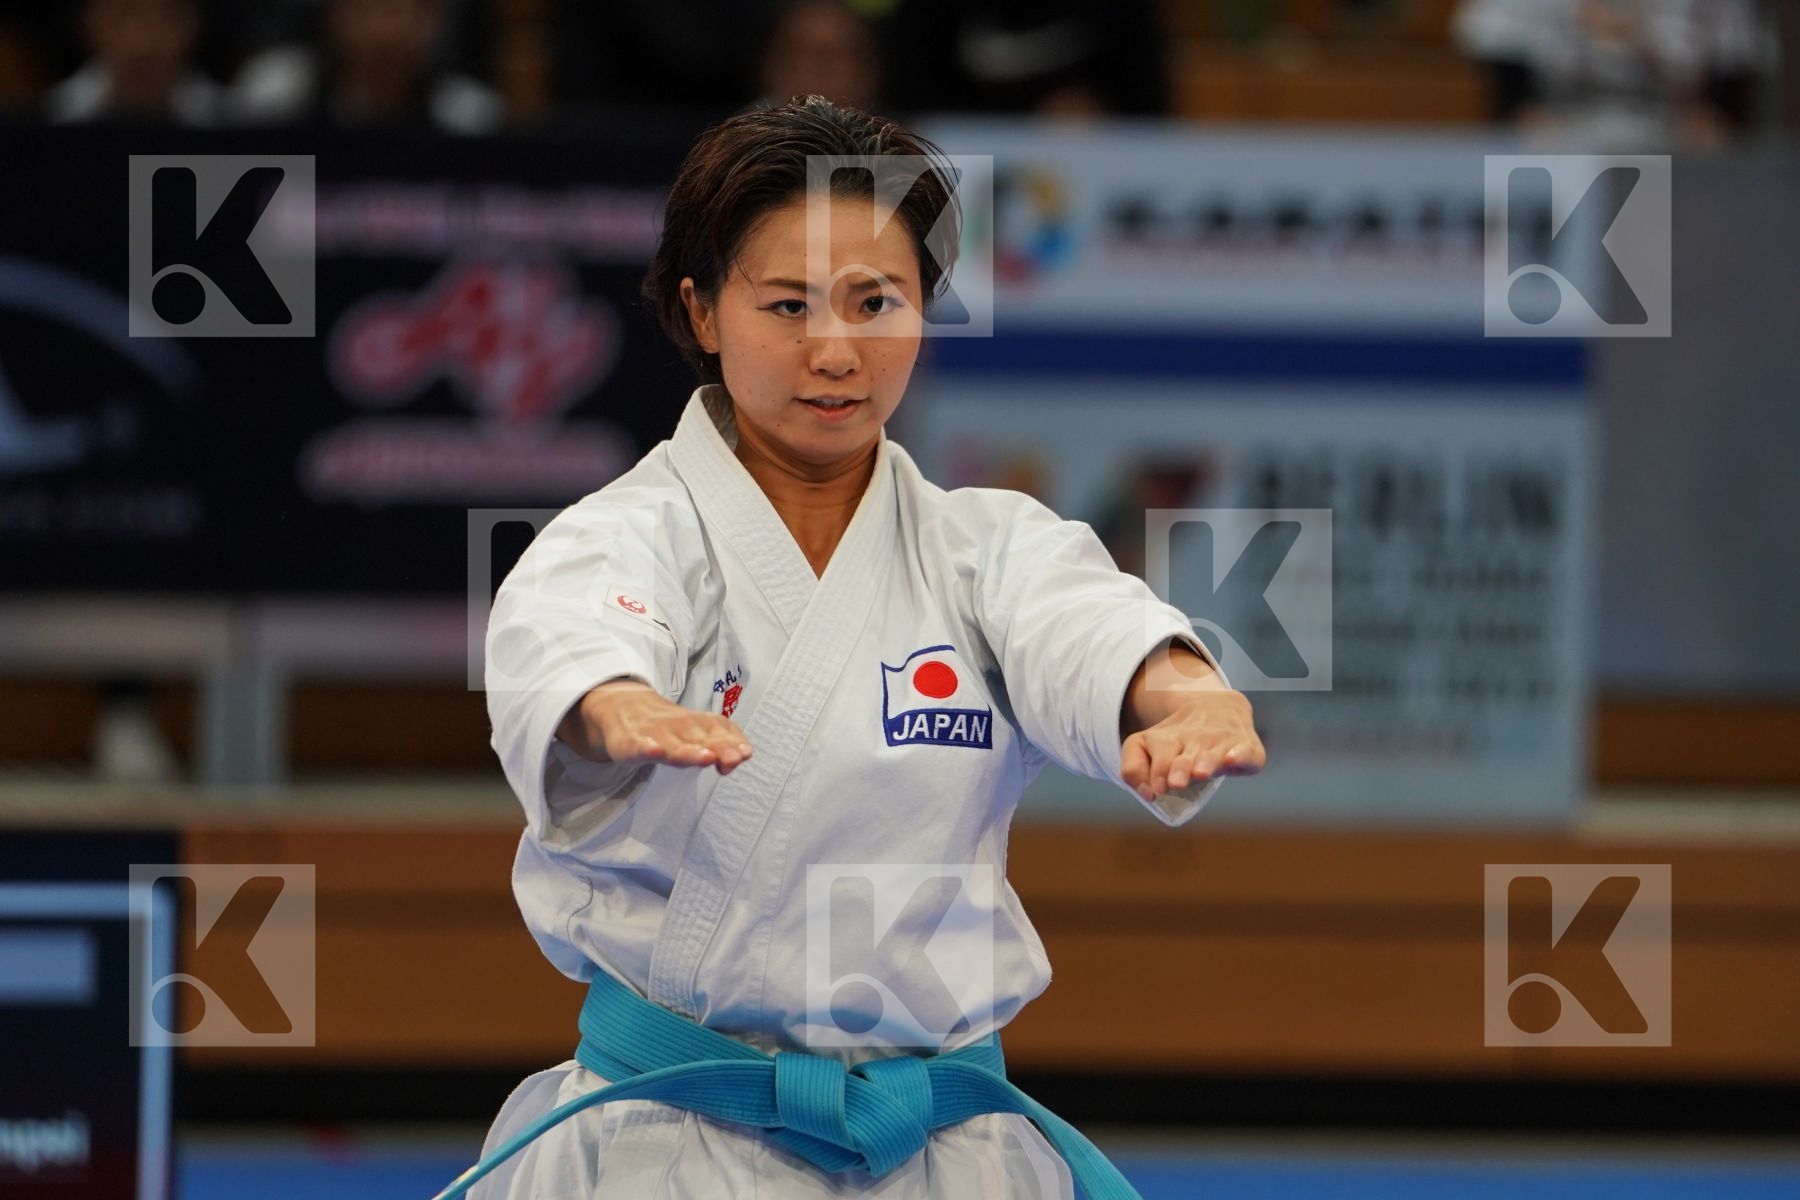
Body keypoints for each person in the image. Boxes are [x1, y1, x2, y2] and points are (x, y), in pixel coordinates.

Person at [458, 95, 1265, 1199]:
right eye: (788, 304)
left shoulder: (986, 546)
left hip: (944, 1154)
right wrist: (611, 705)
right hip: (667, 1143)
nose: (836, 350)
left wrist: (1185, 697)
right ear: (701, 309)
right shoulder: (625, 533)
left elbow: (1086, 627)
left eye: (876, 301)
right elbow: (579, 632)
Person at [231, 0, 502, 133]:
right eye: (363, 10)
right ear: (332, 17)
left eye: (396, 12)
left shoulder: (468, 116)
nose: (382, 32)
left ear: (431, 23)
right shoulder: (280, 93)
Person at [44, 0, 225, 125]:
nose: (143, 41)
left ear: (195, 23)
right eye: (124, 13)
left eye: (169, 14)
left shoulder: (228, 118)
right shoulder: (52, 117)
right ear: (89, 21)